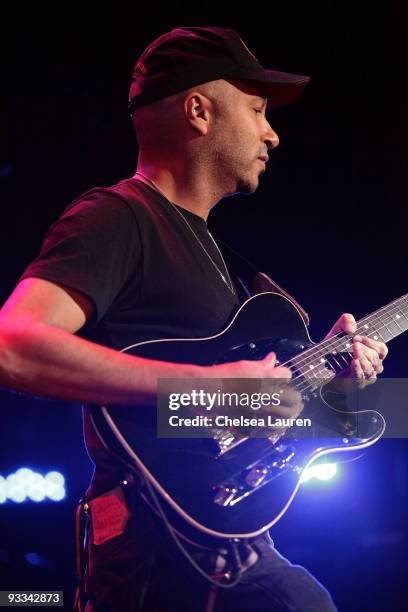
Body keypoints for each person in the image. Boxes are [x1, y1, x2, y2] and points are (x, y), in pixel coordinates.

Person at [0, 26, 388, 612]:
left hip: (228, 535)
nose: (273, 134)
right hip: (154, 549)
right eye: (257, 110)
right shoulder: (118, 217)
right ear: (199, 111)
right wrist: (212, 390)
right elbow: (14, 344)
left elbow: (251, 413)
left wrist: (331, 388)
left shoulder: (229, 267)